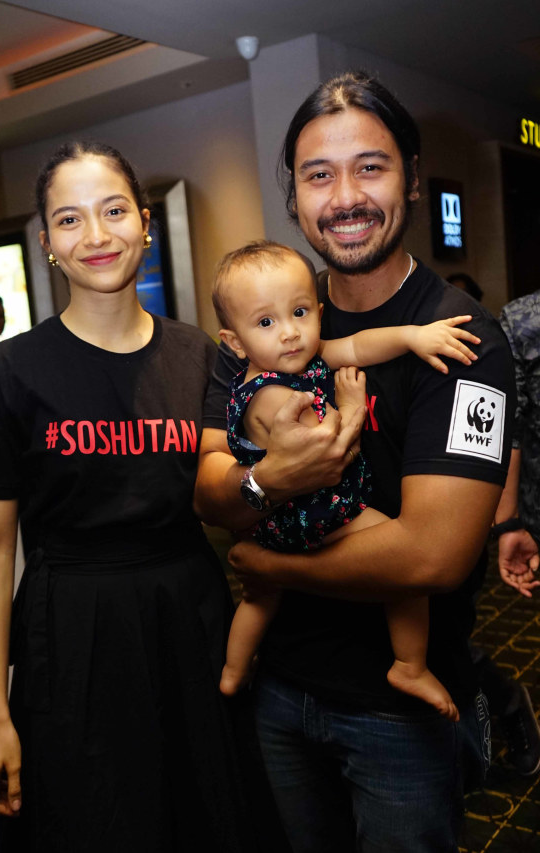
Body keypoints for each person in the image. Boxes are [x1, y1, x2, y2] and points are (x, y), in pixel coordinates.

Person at [196, 71, 516, 852]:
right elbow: (211, 490)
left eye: (369, 166)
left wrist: (262, 557)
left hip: (398, 714)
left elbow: (434, 556)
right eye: (318, 174)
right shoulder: (265, 318)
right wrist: (273, 480)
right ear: (295, 194)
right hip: (277, 689)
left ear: (409, 177)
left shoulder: (464, 336)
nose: (344, 195)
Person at [0, 141, 284, 852]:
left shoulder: (201, 355)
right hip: (69, 631)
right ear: (46, 243)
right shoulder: (8, 370)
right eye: (69, 220)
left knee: (207, 814)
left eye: (112, 211)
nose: (96, 236)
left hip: (187, 615)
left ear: (144, 222)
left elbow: (232, 488)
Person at [213, 239, 480, 721]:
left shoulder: (300, 361)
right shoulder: (268, 396)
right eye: (266, 323)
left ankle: (233, 671)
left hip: (272, 524)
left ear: (316, 311)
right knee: (404, 569)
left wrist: (414, 337)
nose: (291, 334)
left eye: (299, 313)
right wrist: (353, 407)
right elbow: (329, 448)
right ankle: (409, 664)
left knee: (259, 598)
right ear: (234, 342)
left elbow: (359, 346)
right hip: (317, 512)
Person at [490, 290, 540, 775]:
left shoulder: (522, 320)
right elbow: (513, 429)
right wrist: (509, 522)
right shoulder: (524, 322)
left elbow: (514, 430)